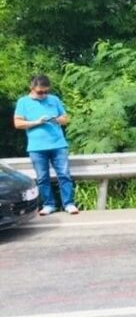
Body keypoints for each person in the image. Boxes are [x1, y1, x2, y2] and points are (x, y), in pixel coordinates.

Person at [13, 74, 79, 215]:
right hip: (37, 148)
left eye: (46, 91)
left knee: (64, 175)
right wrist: (36, 122)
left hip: (58, 145)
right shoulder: (23, 102)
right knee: (42, 178)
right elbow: (17, 123)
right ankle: (49, 204)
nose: (43, 95)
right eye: (40, 92)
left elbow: (65, 118)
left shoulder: (54, 100)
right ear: (31, 88)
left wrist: (57, 120)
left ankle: (68, 204)